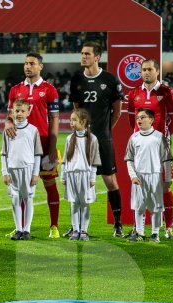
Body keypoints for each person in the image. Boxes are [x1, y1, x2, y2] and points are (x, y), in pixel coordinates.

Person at [70, 42, 125, 237]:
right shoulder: (77, 79)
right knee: (78, 181)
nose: (83, 57)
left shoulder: (109, 79)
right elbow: (77, 110)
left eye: (87, 54)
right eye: (82, 53)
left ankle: (118, 223)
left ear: (97, 57)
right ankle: (76, 226)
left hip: (102, 138)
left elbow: (117, 112)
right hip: (81, 139)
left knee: (110, 180)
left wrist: (104, 132)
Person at [5, 53, 60, 238]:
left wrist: (52, 147)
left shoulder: (49, 89)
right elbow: (10, 115)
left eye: (32, 63)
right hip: (21, 146)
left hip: (44, 143)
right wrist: (7, 122)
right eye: (26, 63)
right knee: (21, 188)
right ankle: (21, 227)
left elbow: (54, 119)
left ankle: (54, 226)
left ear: (40, 67)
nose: (27, 66)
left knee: (49, 184)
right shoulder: (15, 90)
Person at [125, 58, 173, 239]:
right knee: (139, 187)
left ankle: (168, 226)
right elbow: (132, 120)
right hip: (142, 148)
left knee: (165, 186)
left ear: (157, 71)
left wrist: (165, 138)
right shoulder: (134, 94)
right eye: (143, 70)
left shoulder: (167, 92)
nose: (146, 73)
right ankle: (137, 229)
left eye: (149, 69)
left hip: (160, 147)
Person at [124, 108, 172, 243]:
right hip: (139, 177)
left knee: (156, 207)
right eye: (138, 117)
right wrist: (133, 176)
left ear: (151, 120)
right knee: (139, 206)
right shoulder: (134, 137)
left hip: (155, 176)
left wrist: (167, 179)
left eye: (142, 117)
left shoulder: (159, 137)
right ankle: (139, 232)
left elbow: (166, 160)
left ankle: (155, 234)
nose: (139, 120)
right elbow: (129, 159)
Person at [1, 99, 42, 241]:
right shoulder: (7, 131)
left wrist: (35, 173)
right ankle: (18, 229)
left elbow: (37, 154)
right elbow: (4, 153)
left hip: (28, 169)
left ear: (28, 112)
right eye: (16, 111)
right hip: (12, 169)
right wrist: (5, 172)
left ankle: (27, 230)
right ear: (12, 112)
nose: (19, 114)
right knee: (15, 200)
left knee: (28, 198)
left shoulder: (33, 130)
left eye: (22, 111)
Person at [61, 108, 100, 241]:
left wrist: (92, 177)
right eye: (71, 120)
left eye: (74, 120)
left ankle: (84, 230)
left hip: (85, 175)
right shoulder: (69, 138)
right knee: (73, 203)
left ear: (83, 122)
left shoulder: (93, 139)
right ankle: (75, 230)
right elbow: (65, 159)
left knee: (84, 203)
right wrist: (63, 175)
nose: (71, 122)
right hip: (71, 175)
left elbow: (95, 160)